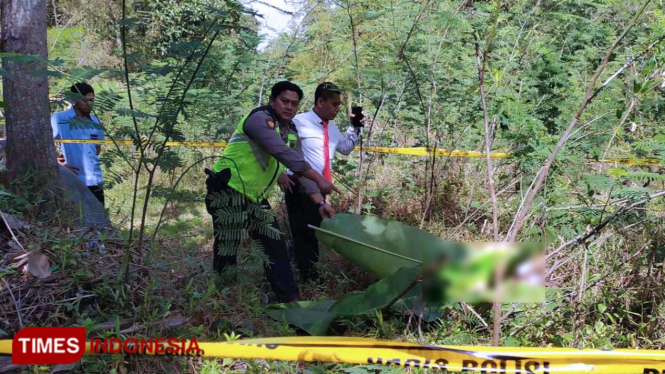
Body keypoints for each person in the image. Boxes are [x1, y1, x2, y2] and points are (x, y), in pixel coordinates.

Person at [204, 81, 339, 303]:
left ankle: (290, 301)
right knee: (228, 246)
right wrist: (319, 178)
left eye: (294, 104)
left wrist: (319, 202)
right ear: (272, 100)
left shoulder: (290, 130)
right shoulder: (259, 119)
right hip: (227, 189)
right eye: (284, 101)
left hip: (255, 197)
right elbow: (282, 153)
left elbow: (300, 167)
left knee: (275, 246)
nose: (289, 107)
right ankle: (222, 299)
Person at [280, 82, 363, 284]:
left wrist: (355, 127)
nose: (338, 108)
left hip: (321, 187)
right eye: (334, 104)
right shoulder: (298, 122)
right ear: (319, 102)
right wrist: (281, 172)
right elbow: (283, 148)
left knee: (314, 231)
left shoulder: (331, 126)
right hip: (299, 184)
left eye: (339, 104)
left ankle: (309, 271)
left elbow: (344, 148)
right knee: (304, 232)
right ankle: (308, 276)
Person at [51, 82, 106, 206]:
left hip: (95, 179)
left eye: (92, 100)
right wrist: (57, 162)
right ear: (74, 100)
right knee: (78, 218)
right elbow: (44, 143)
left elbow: (97, 148)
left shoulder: (95, 121)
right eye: (85, 100)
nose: (89, 104)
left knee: (99, 217)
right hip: (73, 180)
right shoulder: (59, 119)